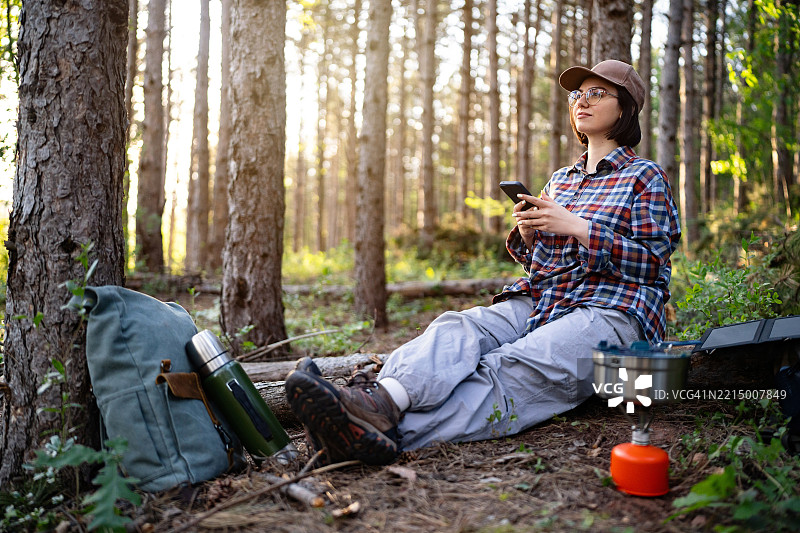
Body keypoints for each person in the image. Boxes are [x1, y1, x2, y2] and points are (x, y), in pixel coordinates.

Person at [285, 59, 681, 466]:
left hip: (612, 311)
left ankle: (375, 434)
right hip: (546, 301)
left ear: (626, 107)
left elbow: (653, 264)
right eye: (577, 93)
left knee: (508, 366)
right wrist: (531, 236)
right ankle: (381, 400)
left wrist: (580, 228)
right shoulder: (562, 180)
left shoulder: (645, 177)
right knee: (460, 328)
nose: (582, 100)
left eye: (598, 92)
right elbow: (543, 266)